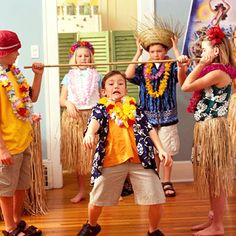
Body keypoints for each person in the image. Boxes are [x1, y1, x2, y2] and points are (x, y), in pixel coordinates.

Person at [77, 70, 172, 236]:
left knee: (157, 198)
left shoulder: (135, 108)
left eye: (120, 83)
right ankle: (91, 225)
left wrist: (161, 149)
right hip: (111, 160)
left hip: (140, 160)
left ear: (126, 90)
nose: (116, 86)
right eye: (111, 84)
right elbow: (94, 122)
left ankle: (153, 230)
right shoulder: (101, 108)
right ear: (103, 92)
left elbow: (149, 129)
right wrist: (90, 133)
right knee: (96, 200)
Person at [178, 25, 236, 236]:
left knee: (216, 178)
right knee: (211, 176)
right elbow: (185, 82)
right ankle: (213, 219)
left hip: (213, 128)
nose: (201, 55)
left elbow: (185, 88)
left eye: (204, 51)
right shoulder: (210, 71)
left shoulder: (219, 72)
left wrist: (201, 64)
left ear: (216, 52)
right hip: (204, 127)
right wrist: (181, 68)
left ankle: (218, 225)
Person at [125, 19, 183, 197]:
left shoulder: (172, 66)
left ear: (165, 51)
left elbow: (182, 81)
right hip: (148, 117)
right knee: (154, 150)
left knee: (167, 150)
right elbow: (128, 74)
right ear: (148, 52)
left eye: (159, 51)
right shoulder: (144, 68)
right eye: (152, 51)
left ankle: (167, 181)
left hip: (167, 117)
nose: (156, 54)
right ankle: (156, 181)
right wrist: (137, 53)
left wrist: (177, 53)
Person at [0, 30, 44, 235]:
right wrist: (2, 150)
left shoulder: (14, 73)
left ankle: (17, 221)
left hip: (23, 140)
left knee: (21, 185)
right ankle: (9, 228)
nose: (18, 54)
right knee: (6, 189)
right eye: (15, 50)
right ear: (3, 53)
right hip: (7, 145)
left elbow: (31, 98)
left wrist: (38, 76)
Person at [60, 40, 101, 203]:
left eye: (86, 56)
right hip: (75, 119)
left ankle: (99, 191)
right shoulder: (69, 77)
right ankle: (82, 191)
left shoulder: (98, 76)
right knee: (80, 157)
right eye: (80, 56)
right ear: (74, 58)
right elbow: (62, 99)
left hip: (93, 118)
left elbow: (103, 96)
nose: (83, 58)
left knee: (96, 155)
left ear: (91, 58)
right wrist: (68, 103)